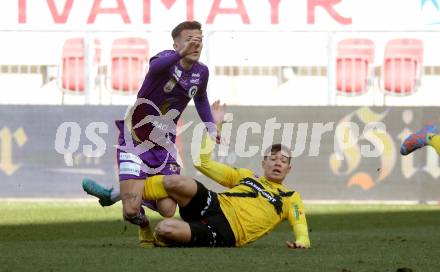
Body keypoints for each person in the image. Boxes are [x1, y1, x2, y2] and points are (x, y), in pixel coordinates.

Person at [82, 21, 217, 247]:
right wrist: (180, 54)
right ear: (176, 44)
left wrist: (210, 125)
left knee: (167, 209)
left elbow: (201, 98)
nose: (196, 45)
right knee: (131, 211)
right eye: (190, 41)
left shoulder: (201, 72)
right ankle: (143, 226)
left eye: (199, 41)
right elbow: (154, 68)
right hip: (134, 138)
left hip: (163, 144)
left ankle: (113, 194)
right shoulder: (164, 60)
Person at [140, 102, 311, 248]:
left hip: (228, 231)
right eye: (273, 159)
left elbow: (300, 224)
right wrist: (214, 127)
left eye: (283, 161)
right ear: (263, 163)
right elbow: (202, 162)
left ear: (289, 168)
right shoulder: (247, 176)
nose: (278, 163)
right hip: (214, 204)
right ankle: (132, 194)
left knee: (165, 229)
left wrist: (302, 240)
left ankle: (149, 229)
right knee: (174, 181)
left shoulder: (290, 198)